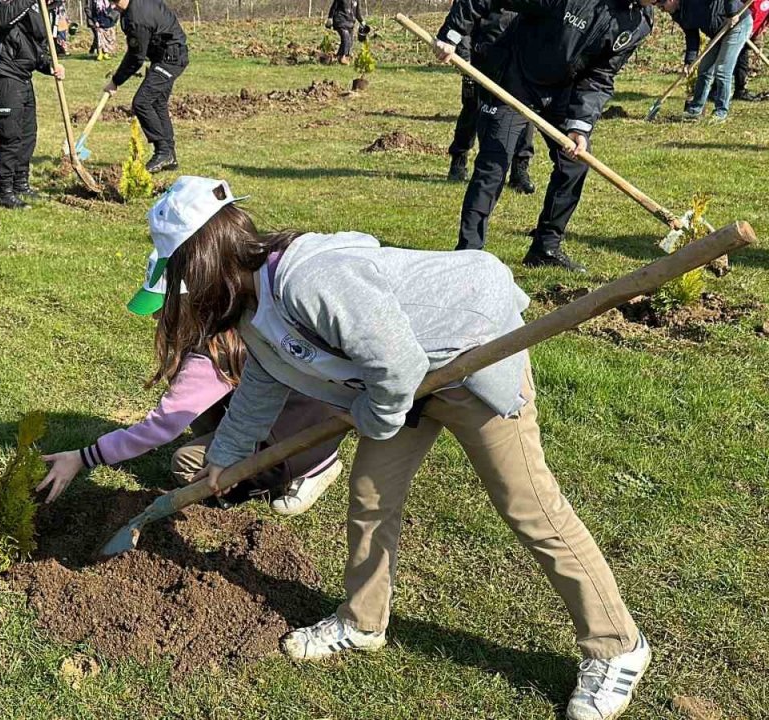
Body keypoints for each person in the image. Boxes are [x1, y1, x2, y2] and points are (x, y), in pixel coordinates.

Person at [146, 176, 649, 720]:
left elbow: (398, 364)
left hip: (468, 358)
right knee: (370, 496)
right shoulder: (252, 304)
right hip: (405, 383)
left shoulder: (310, 277)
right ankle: (362, 620)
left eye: (178, 274)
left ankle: (617, 645)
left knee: (528, 506)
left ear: (201, 261)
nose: (183, 293)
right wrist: (223, 461)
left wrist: (368, 417)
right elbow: (263, 384)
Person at [37, 245, 346, 514]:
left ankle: (310, 469)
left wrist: (83, 457)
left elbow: (163, 425)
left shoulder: (213, 352)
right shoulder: (234, 320)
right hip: (298, 414)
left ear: (191, 301)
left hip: (300, 438)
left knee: (186, 464)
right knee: (200, 413)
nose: (155, 318)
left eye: (162, 308)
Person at [433, 0, 659, 273]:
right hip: (513, 76)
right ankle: (468, 252)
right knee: (494, 165)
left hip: (561, 90)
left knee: (575, 164)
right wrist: (452, 33)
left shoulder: (639, 23)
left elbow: (600, 75)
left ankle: (545, 248)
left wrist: (580, 125)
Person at [440, 5, 536, 194]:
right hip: (483, 60)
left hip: (518, 62)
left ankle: (519, 170)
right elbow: (465, 17)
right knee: (472, 109)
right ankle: (458, 160)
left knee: (524, 115)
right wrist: (465, 59)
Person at [0, 0, 66, 209]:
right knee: (11, 136)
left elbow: (36, 52)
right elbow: (1, 21)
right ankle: (5, 193)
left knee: (28, 134)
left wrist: (50, 66)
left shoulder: (44, 12)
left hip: (23, 76)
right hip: (3, 72)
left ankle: (21, 184)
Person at [105, 0, 188, 173]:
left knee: (141, 102)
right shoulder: (136, 7)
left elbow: (136, 58)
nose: (113, 6)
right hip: (167, 53)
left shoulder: (137, 18)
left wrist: (116, 81)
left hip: (170, 58)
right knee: (157, 103)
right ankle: (169, 155)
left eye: (115, 2)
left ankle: (163, 151)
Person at [671, 0, 754, 122]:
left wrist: (731, 13)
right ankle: (694, 110)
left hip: (738, 23)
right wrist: (689, 61)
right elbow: (691, 36)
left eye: (661, 5)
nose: (661, 9)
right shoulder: (678, 13)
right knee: (704, 69)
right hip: (718, 32)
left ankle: (721, 112)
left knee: (722, 70)